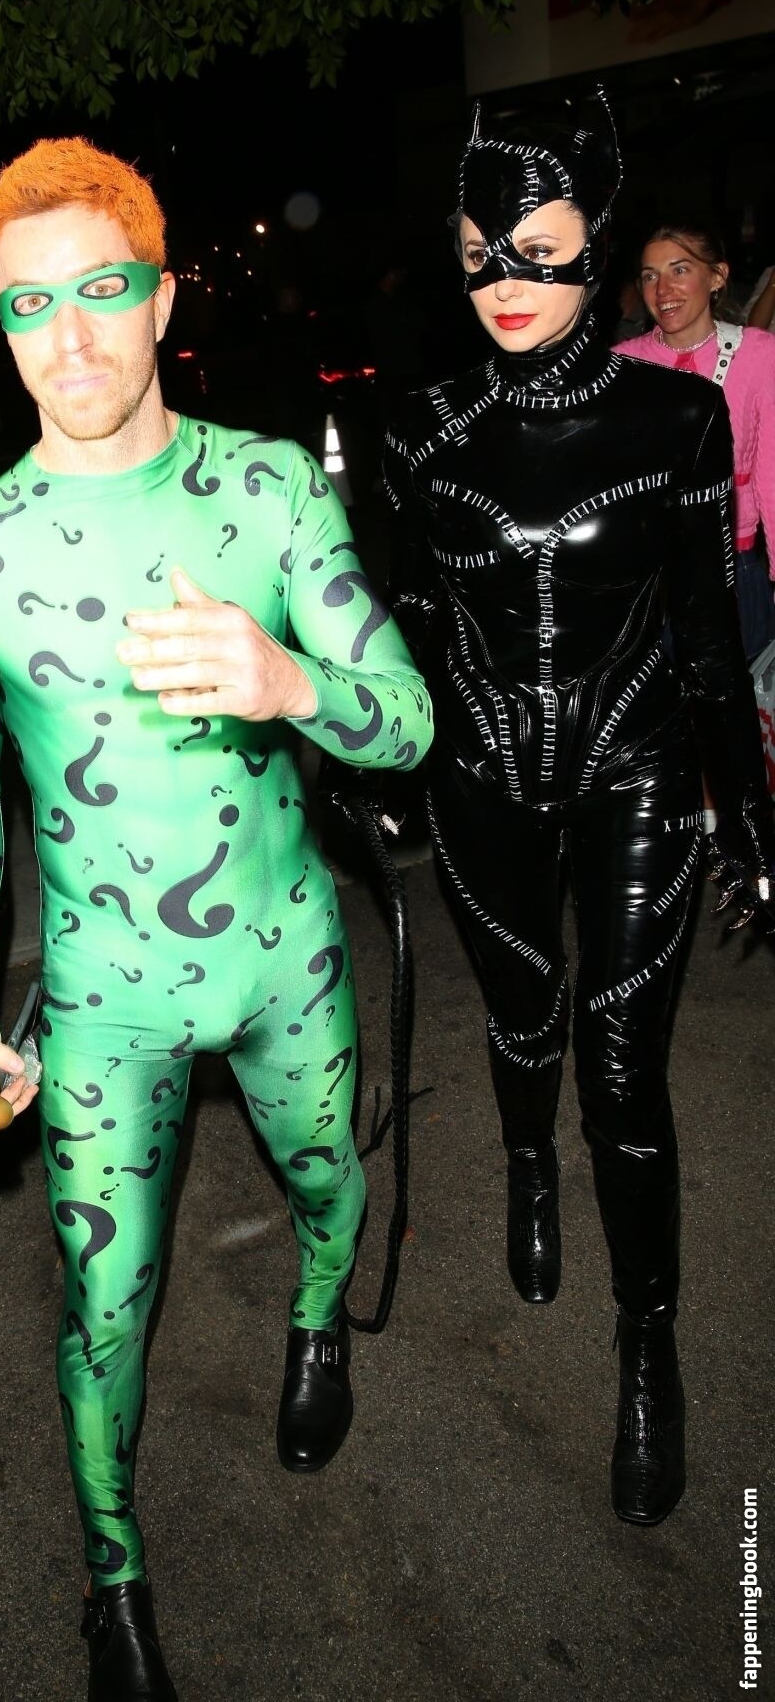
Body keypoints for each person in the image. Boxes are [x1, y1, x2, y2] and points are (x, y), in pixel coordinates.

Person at [0, 137, 433, 1699]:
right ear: (0, 323)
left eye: (101, 291)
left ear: (160, 297)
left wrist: (289, 682)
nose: (67, 338)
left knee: (328, 1178)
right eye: (29, 304)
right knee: (103, 1307)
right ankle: (115, 1581)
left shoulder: (268, 488)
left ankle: (319, 1317)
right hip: (104, 998)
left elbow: (408, 723)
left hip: (284, 958)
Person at [382, 91, 775, 1530]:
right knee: (522, 1020)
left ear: (595, 252)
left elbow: (707, 641)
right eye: (479, 255)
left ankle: (646, 1343)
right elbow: (404, 631)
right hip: (480, 771)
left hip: (637, 764)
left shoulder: (678, 414)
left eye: (539, 253)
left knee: (622, 1068)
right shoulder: (419, 431)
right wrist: (368, 760)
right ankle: (525, 1167)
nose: (505, 282)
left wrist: (753, 818)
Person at [613, 222, 775, 661]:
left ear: (717, 276)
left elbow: (771, 477)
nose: (662, 289)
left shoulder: (758, 354)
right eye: (649, 275)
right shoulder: (622, 365)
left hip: (734, 569)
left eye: (680, 269)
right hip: (646, 578)